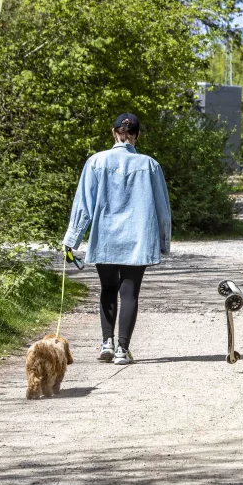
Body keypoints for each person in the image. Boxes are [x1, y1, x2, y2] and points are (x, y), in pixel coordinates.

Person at [62, 113, 172, 366]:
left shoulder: (96, 162)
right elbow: (162, 208)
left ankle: (106, 344)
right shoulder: (150, 165)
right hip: (138, 238)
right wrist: (164, 242)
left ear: (114, 133)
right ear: (137, 136)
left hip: (106, 237)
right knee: (130, 292)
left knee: (108, 289)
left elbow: (84, 205)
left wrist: (72, 238)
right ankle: (123, 349)